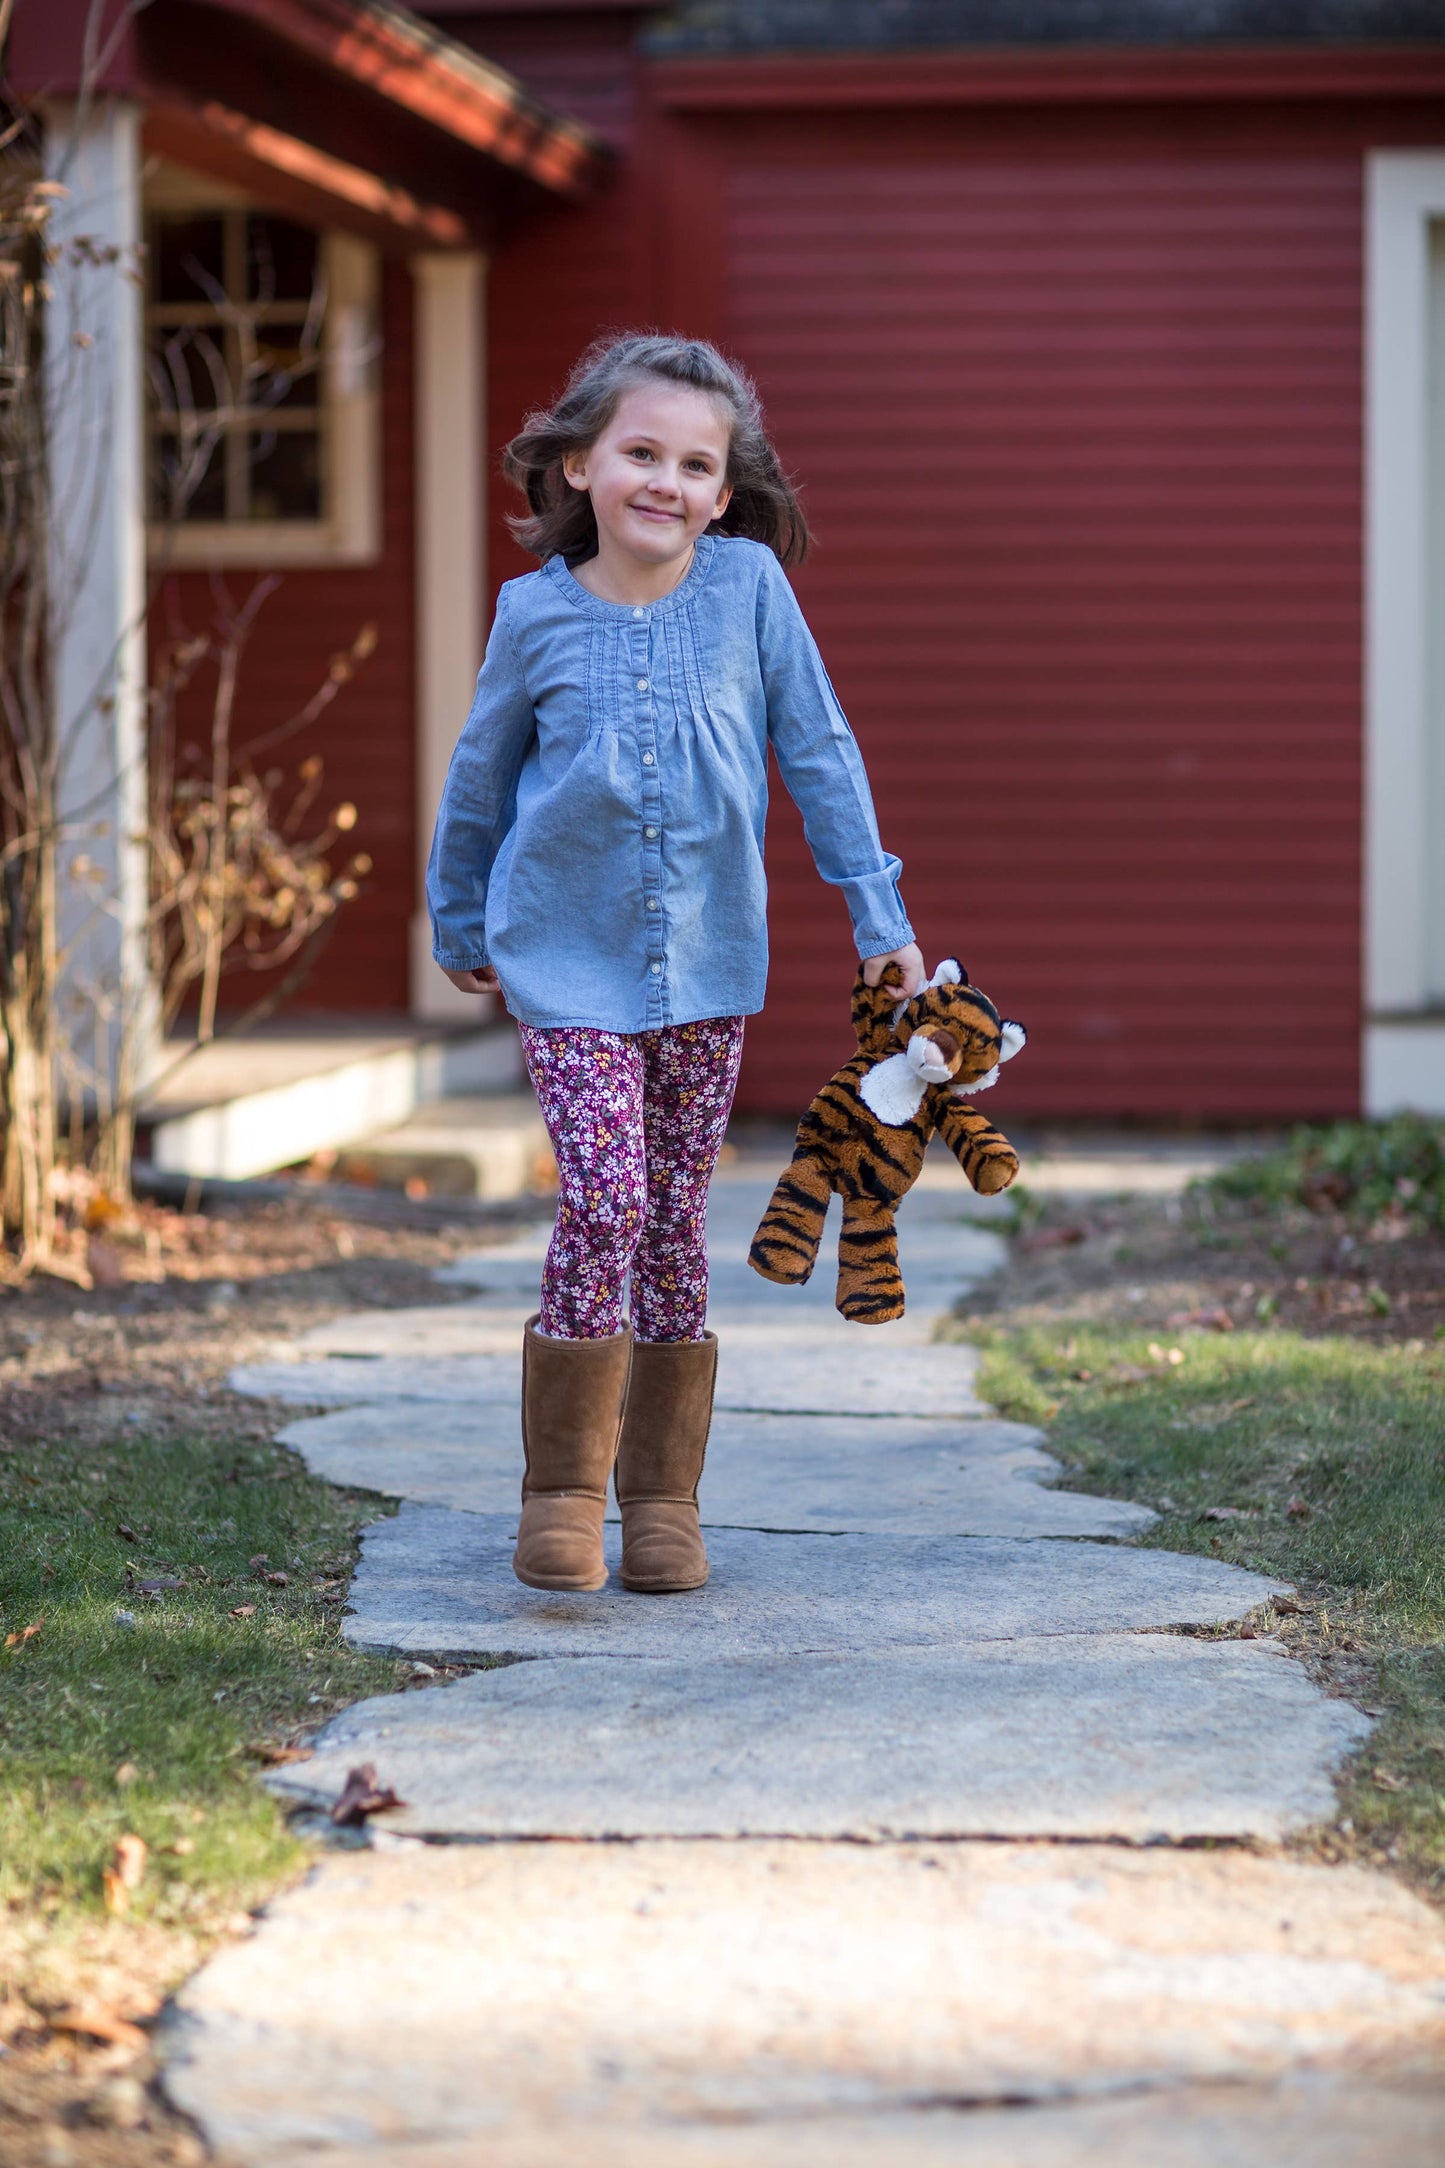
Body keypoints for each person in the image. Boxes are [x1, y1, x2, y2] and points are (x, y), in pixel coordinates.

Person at [427, 332, 922, 1599]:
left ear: (723, 488)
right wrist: (458, 914)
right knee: (601, 1196)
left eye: (695, 464)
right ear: (581, 463)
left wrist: (878, 913)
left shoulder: (750, 589)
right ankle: (559, 1494)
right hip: (563, 955)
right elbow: (481, 772)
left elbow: (818, 745)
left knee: (669, 1227)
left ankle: (659, 1499)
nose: (666, 480)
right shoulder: (531, 610)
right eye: (640, 452)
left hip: (706, 963)